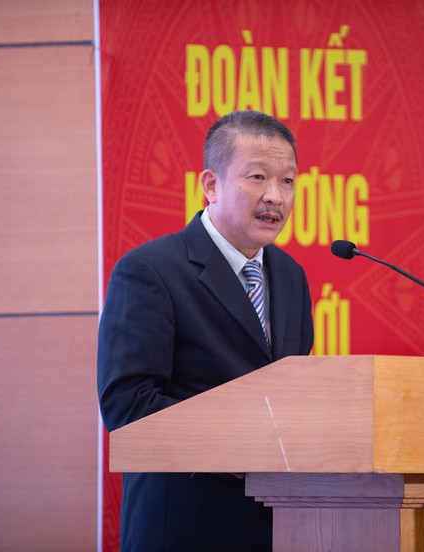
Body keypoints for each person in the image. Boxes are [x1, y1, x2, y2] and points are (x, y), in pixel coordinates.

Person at [97, 110, 314, 551]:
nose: (275, 196)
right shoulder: (150, 270)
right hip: (184, 526)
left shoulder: (291, 275)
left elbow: (292, 390)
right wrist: (246, 445)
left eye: (288, 181)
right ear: (211, 186)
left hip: (278, 526)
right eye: (258, 177)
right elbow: (128, 405)